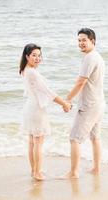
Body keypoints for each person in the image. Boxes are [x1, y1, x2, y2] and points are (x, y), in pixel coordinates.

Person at [19, 43, 72, 181]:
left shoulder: (25, 70)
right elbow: (48, 93)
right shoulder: (32, 73)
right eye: (34, 55)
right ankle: (37, 172)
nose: (37, 58)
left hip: (30, 107)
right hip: (36, 110)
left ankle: (33, 170)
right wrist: (65, 103)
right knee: (38, 143)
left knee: (32, 142)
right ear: (27, 56)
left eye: (39, 55)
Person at [66, 28, 105, 178]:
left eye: (84, 40)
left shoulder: (89, 58)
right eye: (79, 40)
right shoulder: (98, 57)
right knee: (95, 138)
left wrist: (67, 99)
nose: (81, 43)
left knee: (74, 139)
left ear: (92, 41)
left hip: (89, 105)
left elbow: (81, 82)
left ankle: (73, 172)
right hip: (99, 104)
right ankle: (96, 169)